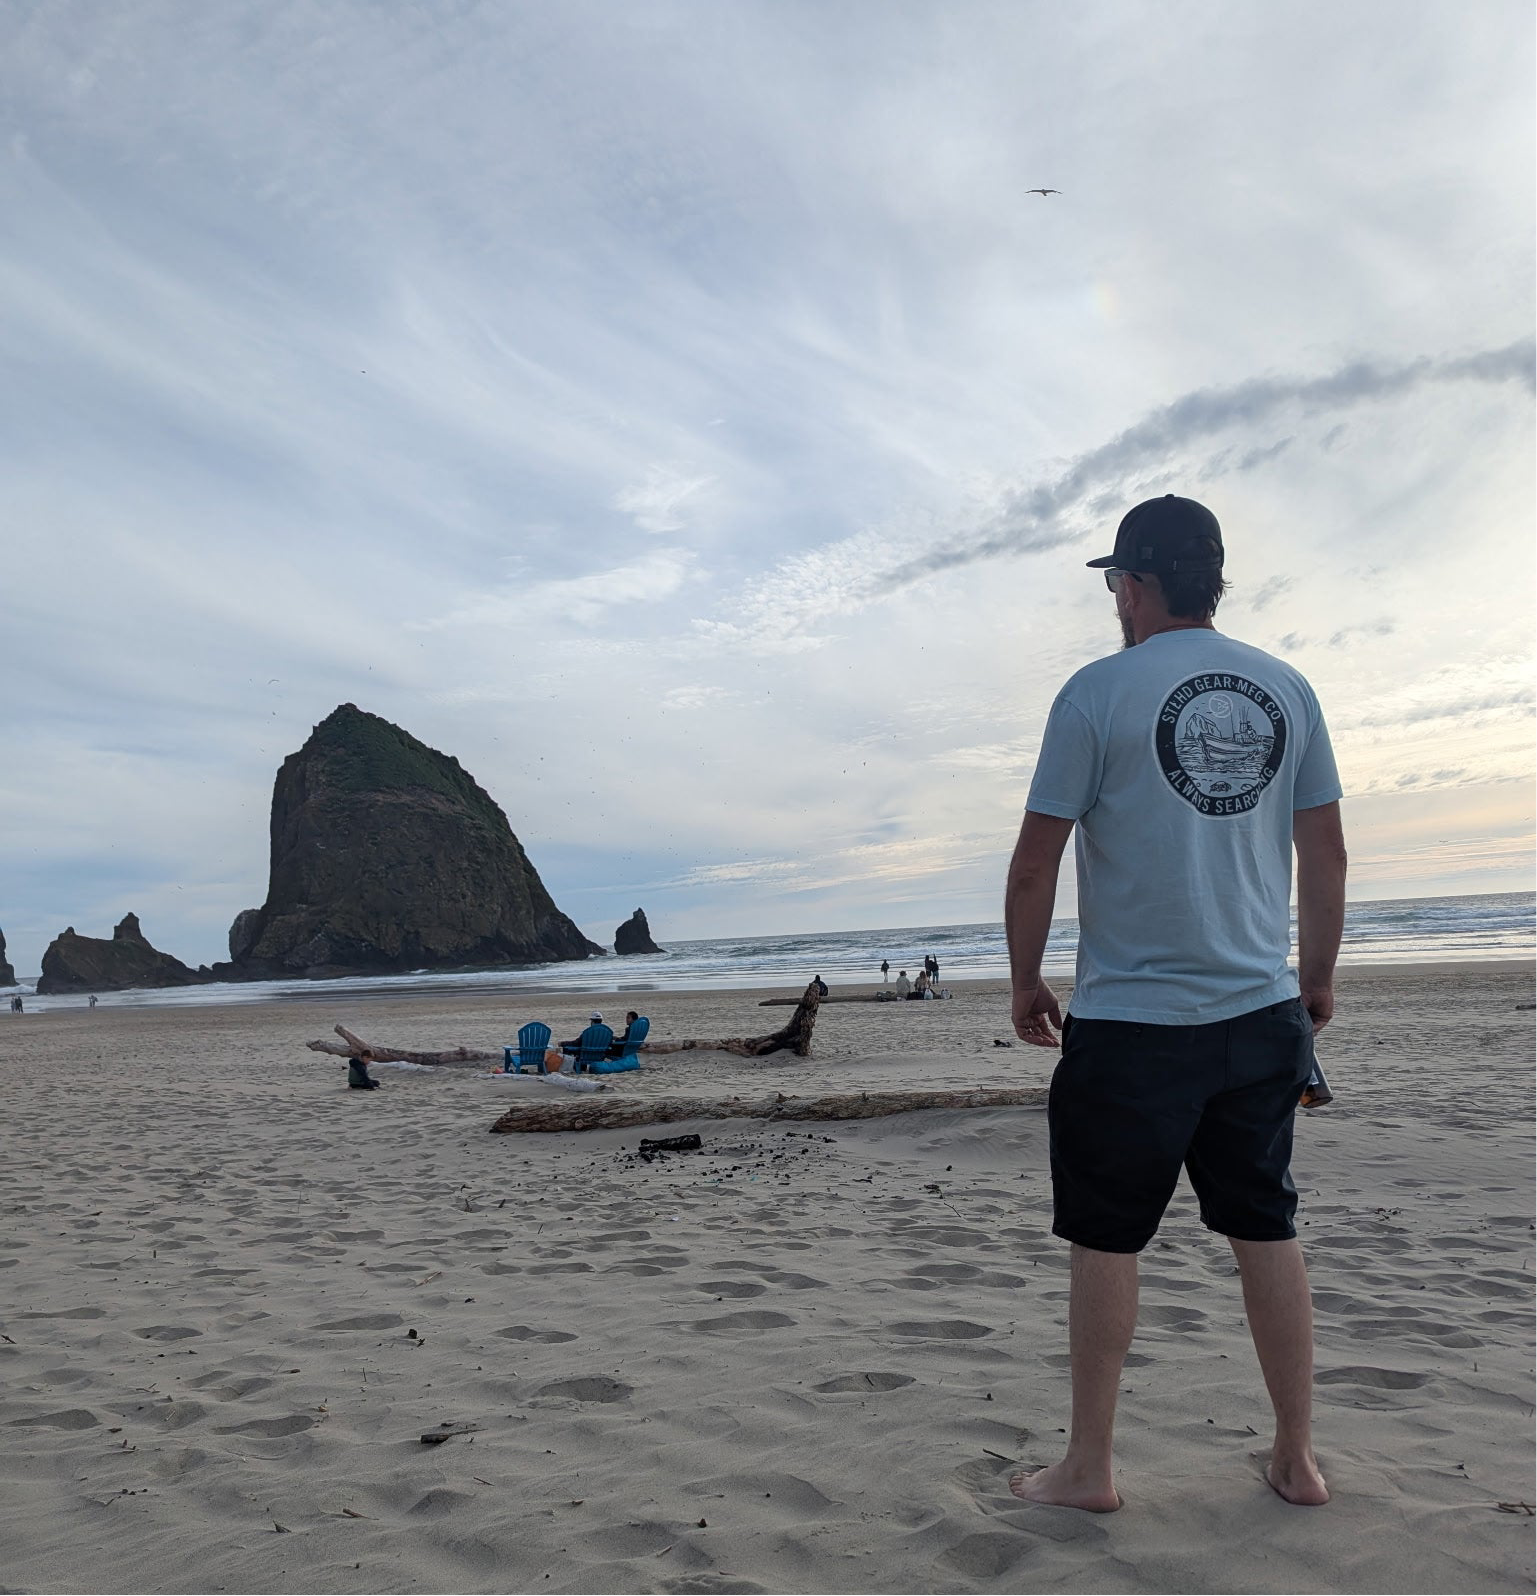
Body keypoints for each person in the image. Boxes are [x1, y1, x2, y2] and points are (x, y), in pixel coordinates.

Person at [1004, 495, 1344, 1513]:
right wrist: (1315, 978)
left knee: (1107, 1238)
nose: (1115, 597)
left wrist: (1025, 981)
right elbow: (1322, 851)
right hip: (1258, 1012)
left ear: (1138, 583)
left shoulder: (1095, 694)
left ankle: (1089, 1469)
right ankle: (1296, 1458)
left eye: (1115, 581)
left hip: (1132, 1024)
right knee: (1265, 1229)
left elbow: (1034, 865)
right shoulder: (1286, 690)